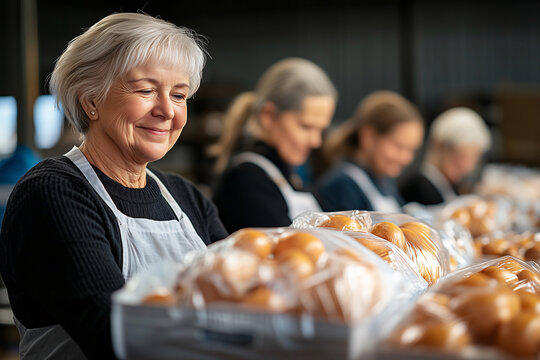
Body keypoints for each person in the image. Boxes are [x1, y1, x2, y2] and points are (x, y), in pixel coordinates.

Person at [0, 13, 227, 360]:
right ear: (91, 100)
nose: (167, 110)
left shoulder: (186, 197)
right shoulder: (52, 193)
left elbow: (239, 297)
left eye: (179, 95)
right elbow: (115, 335)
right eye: (146, 90)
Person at [210, 58, 337, 233]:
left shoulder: (289, 175)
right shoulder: (247, 180)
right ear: (268, 115)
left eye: (321, 130)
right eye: (306, 127)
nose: (316, 141)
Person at [316, 90, 424, 212]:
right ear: (368, 137)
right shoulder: (342, 186)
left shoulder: (385, 182)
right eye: (398, 146)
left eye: (412, 150)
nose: (406, 158)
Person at [400, 107, 491, 205]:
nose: (467, 167)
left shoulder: (446, 185)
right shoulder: (420, 189)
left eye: (473, 159)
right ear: (439, 146)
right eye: (461, 156)